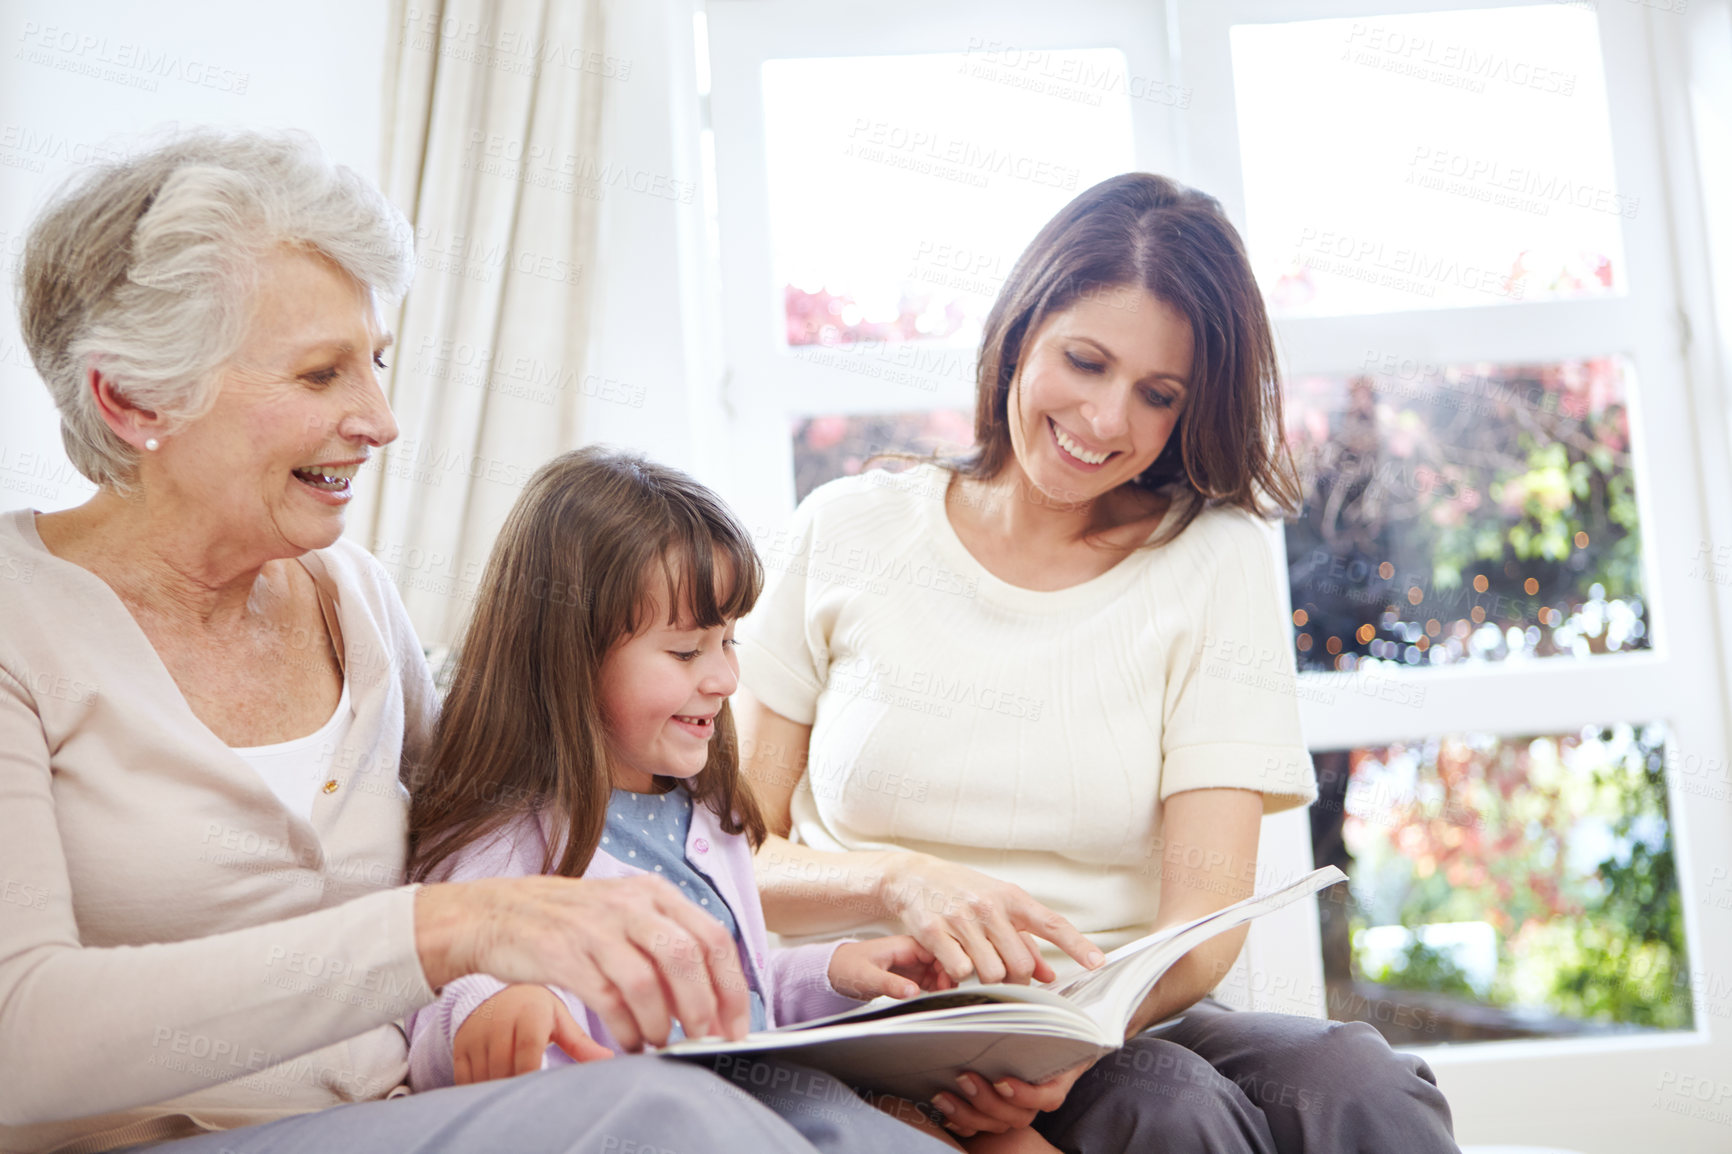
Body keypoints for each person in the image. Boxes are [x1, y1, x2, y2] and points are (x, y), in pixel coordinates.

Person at [0, 127, 887, 1154]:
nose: (378, 419)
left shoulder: (357, 598)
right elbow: (23, 1035)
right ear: (131, 398)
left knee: (814, 1108)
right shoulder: (23, 627)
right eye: (322, 373)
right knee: (666, 1119)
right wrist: (443, 935)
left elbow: (532, 851)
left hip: (412, 1115)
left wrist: (870, 905)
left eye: (374, 363)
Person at [736, 173, 1463, 1153]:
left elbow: (1205, 915)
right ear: (1021, 329)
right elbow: (733, 857)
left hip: (1105, 1014)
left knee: (1361, 1082)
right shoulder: (848, 529)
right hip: (874, 1014)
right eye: (1085, 361)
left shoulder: (1212, 557)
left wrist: (1073, 1041)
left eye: (1157, 394)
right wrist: (900, 880)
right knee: (1168, 1107)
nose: (1107, 419)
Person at [402, 446, 962, 1149]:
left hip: (756, 1099)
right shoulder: (509, 834)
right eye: (687, 651)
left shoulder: (698, 806)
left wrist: (834, 971)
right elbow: (433, 1006)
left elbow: (730, 998)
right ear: (569, 654)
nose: (727, 677)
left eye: (728, 641)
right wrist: (485, 1011)